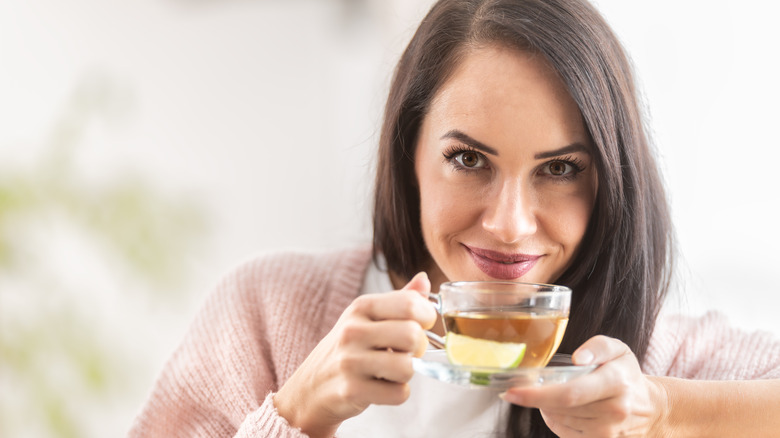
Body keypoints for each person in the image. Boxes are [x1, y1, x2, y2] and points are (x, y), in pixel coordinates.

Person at [128, 0, 780, 436]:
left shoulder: (653, 352)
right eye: (468, 158)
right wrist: (295, 412)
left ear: (608, 183)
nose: (508, 223)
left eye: (559, 169)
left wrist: (661, 410)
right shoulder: (268, 315)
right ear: (408, 150)